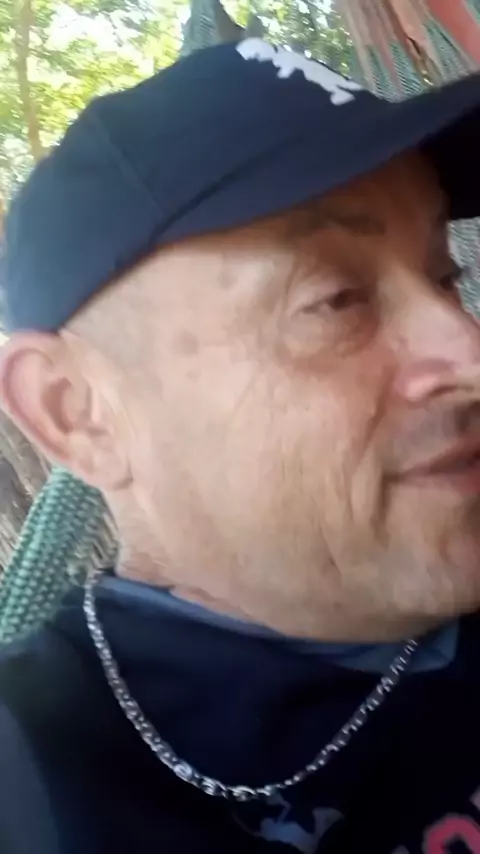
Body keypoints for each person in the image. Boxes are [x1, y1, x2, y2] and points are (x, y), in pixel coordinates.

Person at [1, 37, 480, 854]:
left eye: (444, 276)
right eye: (336, 300)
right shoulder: (40, 785)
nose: (469, 356)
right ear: (75, 413)